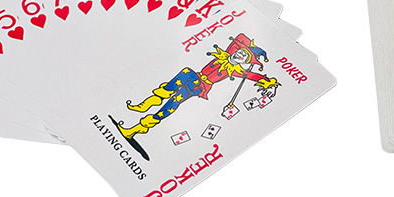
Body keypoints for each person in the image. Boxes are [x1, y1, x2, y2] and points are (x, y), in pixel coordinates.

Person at [111, 34, 279, 142]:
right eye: (240, 52)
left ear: (244, 62)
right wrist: (252, 47)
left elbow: (253, 76)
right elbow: (239, 38)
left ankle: (148, 104)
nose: (239, 55)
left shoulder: (235, 70)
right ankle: (134, 130)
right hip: (194, 81)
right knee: (172, 103)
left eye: (243, 57)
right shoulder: (224, 55)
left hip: (199, 85)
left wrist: (267, 81)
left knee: (186, 72)